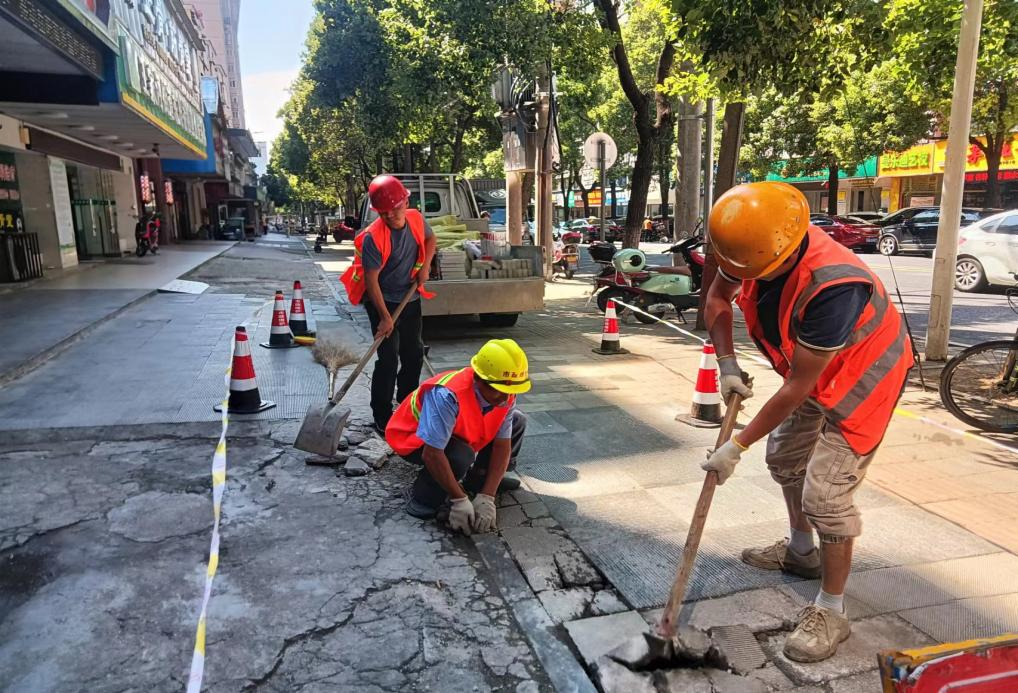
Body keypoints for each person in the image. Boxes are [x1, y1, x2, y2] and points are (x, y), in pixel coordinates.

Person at [702, 182, 912, 663]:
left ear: (781, 253)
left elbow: (797, 387)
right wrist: (727, 364)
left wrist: (736, 446)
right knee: (784, 458)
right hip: (814, 372)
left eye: (748, 272)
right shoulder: (749, 243)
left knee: (826, 496)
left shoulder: (834, 286)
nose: (739, 276)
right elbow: (717, 299)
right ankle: (801, 552)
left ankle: (832, 611)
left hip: (864, 379)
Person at [386, 339, 530, 533]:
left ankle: (479, 480)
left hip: (454, 435)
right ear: (478, 379)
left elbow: (502, 445)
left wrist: (488, 495)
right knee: (460, 454)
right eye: (499, 391)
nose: (506, 398)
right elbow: (432, 453)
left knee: (517, 422)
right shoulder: (446, 394)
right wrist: (459, 499)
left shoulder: (505, 392)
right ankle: (424, 496)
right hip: (412, 439)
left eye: (511, 391)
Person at [340, 175, 437, 434]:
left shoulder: (416, 219)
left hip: (410, 298)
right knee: (388, 359)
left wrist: (425, 266)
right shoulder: (373, 237)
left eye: (395, 208)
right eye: (383, 212)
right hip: (382, 300)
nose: (390, 215)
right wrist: (384, 317)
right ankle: (382, 414)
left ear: (406, 202)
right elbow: (371, 282)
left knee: (414, 354)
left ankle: (407, 405)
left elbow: (431, 239)